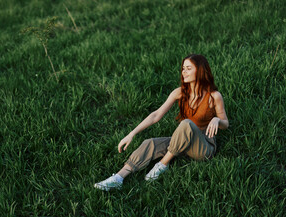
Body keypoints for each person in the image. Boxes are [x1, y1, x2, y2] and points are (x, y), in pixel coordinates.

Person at [94, 54, 229, 191]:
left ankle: (162, 164)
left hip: (203, 147)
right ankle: (118, 178)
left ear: (200, 71)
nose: (184, 72)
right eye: (183, 68)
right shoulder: (180, 92)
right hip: (183, 141)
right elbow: (156, 115)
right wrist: (132, 133)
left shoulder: (214, 96)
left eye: (188, 68)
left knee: (186, 124)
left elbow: (225, 123)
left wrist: (217, 120)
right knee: (150, 143)